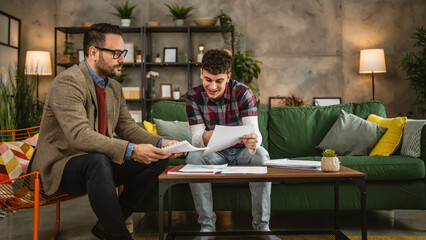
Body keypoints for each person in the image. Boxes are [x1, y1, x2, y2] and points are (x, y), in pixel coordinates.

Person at [29, 23, 181, 240]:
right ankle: (119, 235)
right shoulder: (68, 82)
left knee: (158, 158)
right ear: (93, 52)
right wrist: (132, 150)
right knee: (97, 160)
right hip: (62, 164)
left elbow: (126, 127)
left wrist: (161, 143)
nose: (122, 59)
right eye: (116, 53)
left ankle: (107, 225)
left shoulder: (114, 88)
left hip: (96, 160)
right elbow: (79, 135)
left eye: (123, 53)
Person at [185, 49, 272, 233]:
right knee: (193, 158)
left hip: (243, 152)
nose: (213, 86)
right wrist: (207, 136)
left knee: (262, 155)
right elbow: (196, 138)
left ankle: (262, 227)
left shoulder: (243, 93)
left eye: (219, 81)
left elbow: (255, 133)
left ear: (228, 76)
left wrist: (254, 141)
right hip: (215, 153)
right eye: (208, 79)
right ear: (201, 73)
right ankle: (207, 226)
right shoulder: (193, 97)